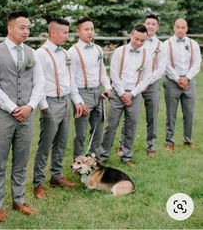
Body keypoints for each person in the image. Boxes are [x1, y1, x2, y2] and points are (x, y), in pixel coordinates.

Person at [0, 11, 45, 222]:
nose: (26, 31)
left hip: (27, 116)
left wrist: (30, 106)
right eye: (22, 27)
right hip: (3, 116)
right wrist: (12, 108)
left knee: (21, 160)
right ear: (10, 28)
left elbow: (40, 82)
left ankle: (19, 200)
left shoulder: (32, 53)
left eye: (28, 28)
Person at [33, 18, 83, 199]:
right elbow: (37, 83)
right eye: (64, 33)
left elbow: (71, 81)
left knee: (61, 142)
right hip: (50, 103)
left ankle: (56, 176)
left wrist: (76, 101)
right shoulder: (40, 54)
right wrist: (44, 107)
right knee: (45, 144)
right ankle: (38, 183)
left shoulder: (66, 54)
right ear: (53, 32)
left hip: (65, 102)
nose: (67, 36)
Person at [99, 24, 152, 166]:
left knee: (131, 125)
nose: (139, 43)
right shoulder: (119, 52)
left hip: (135, 95)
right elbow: (114, 74)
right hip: (117, 93)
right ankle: (102, 156)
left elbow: (147, 78)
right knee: (111, 125)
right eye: (136, 39)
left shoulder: (147, 55)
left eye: (142, 40)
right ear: (130, 35)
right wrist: (123, 94)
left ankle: (126, 156)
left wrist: (132, 94)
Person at [119, 14, 167, 158]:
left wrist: (147, 81)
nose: (150, 26)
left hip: (151, 85)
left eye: (153, 24)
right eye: (148, 23)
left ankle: (151, 146)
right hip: (133, 86)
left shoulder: (161, 46)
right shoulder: (137, 41)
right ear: (144, 25)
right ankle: (123, 145)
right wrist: (138, 85)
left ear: (157, 27)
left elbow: (161, 68)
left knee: (152, 116)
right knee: (128, 115)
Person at [68, 17, 112, 159]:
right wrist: (78, 101)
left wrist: (107, 87)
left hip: (97, 93)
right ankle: (79, 161)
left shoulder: (98, 49)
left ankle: (94, 160)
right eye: (86, 29)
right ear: (78, 31)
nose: (90, 32)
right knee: (81, 132)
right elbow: (71, 79)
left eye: (92, 29)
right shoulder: (73, 51)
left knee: (98, 129)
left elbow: (102, 72)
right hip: (82, 94)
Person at [163, 18, 201, 151]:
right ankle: (169, 142)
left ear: (187, 28)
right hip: (172, 82)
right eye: (178, 27)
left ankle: (188, 140)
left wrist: (187, 78)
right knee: (171, 114)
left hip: (189, 83)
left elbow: (197, 64)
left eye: (183, 27)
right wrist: (178, 78)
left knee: (189, 113)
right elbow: (165, 64)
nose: (180, 30)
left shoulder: (193, 44)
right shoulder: (166, 44)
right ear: (174, 28)